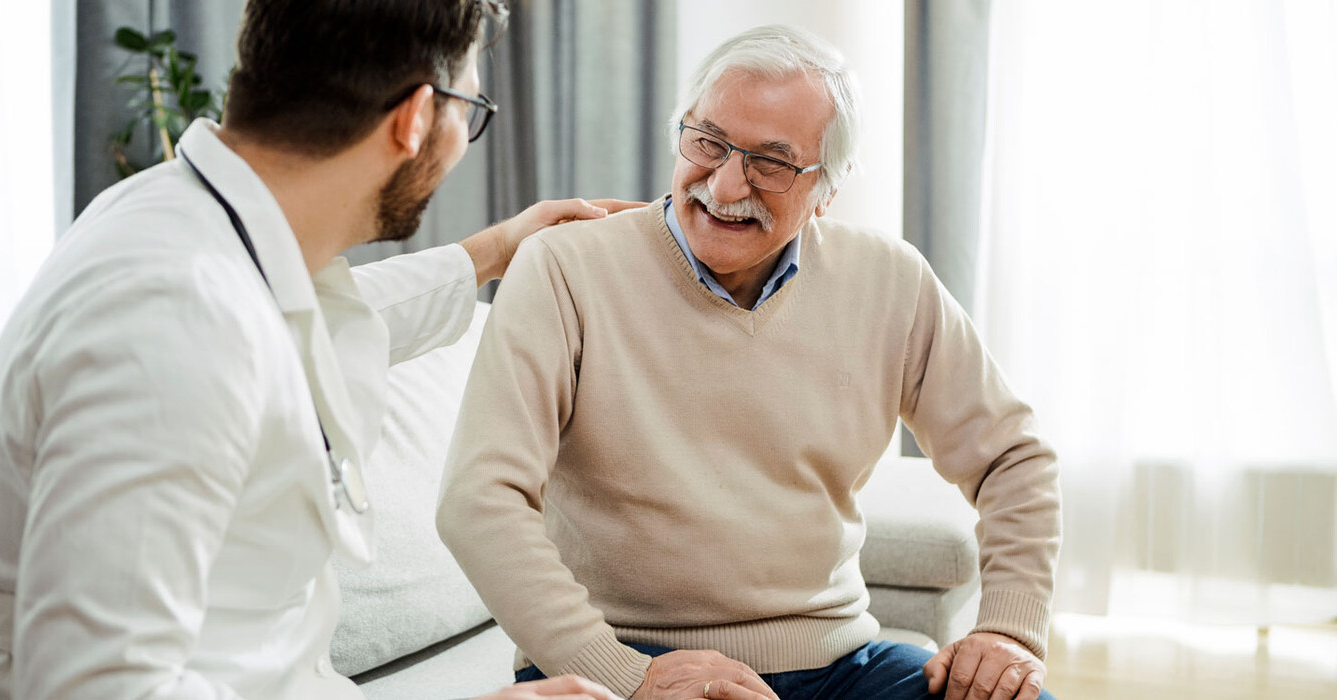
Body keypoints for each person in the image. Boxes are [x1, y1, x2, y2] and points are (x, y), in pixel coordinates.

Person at [0, 1, 632, 698]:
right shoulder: (170, 321)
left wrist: (493, 252)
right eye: (472, 109)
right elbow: (97, 690)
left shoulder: (192, 227)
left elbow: (305, 322)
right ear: (417, 117)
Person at [437, 24, 1061, 700]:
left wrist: (1008, 630)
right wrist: (623, 673)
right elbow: (480, 499)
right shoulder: (563, 269)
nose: (726, 183)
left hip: (841, 666)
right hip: (614, 662)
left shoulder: (889, 280)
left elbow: (1013, 458)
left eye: (772, 162)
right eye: (708, 142)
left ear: (829, 188)